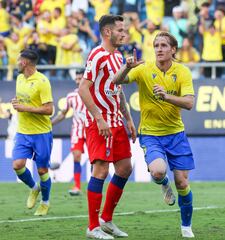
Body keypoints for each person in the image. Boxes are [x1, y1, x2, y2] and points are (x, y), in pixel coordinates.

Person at [113, 31, 196, 238]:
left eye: (164, 45)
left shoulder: (182, 72)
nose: (159, 49)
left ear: (173, 50)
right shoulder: (143, 68)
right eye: (156, 45)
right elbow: (116, 81)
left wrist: (166, 96)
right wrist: (126, 67)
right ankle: (162, 182)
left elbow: (189, 103)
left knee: (183, 183)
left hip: (176, 134)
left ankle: (186, 226)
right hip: (150, 134)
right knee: (158, 171)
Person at [79, 15, 137, 240]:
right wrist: (99, 118)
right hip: (99, 123)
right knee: (101, 170)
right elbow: (84, 88)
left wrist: (128, 119)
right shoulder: (97, 54)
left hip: (116, 121)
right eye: (120, 30)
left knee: (124, 168)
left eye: (124, 30)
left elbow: (117, 89)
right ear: (107, 32)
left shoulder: (117, 56)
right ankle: (92, 227)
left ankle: (106, 219)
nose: (124, 33)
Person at [11, 49, 53, 216]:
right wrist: (16, 103)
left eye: (18, 59)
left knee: (42, 171)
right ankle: (34, 188)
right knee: (17, 165)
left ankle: (45, 202)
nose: (16, 62)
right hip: (23, 132)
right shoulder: (19, 78)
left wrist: (24, 108)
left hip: (41, 133)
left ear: (25, 62)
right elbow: (23, 101)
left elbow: (49, 109)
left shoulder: (43, 82)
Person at [51, 69, 87, 196]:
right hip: (77, 130)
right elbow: (63, 114)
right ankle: (77, 186)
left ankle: (95, 185)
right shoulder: (71, 96)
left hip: (92, 129)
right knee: (76, 156)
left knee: (95, 159)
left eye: (80, 78)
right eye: (76, 79)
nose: (78, 81)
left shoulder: (94, 93)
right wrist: (51, 123)